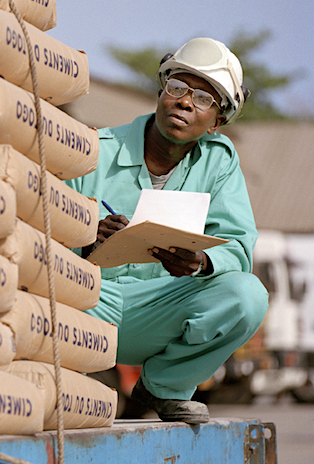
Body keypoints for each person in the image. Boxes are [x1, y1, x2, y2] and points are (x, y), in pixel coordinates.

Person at [65, 37, 269, 424]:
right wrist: (84, 242)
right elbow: (44, 233)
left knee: (248, 294)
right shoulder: (95, 151)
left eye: (204, 99)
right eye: (178, 87)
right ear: (161, 92)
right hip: (89, 301)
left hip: (159, 310)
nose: (186, 102)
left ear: (217, 122)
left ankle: (163, 388)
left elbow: (239, 247)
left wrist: (200, 262)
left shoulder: (220, 164)